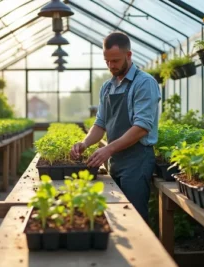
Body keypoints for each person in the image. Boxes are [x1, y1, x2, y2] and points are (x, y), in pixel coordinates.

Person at [70, 32, 161, 223]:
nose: (111, 66)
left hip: (137, 160)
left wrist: (108, 149)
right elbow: (100, 123)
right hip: (116, 160)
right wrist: (84, 143)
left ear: (129, 55)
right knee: (117, 217)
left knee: (135, 218)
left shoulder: (144, 83)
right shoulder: (107, 87)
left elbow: (142, 127)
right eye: (107, 61)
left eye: (116, 60)